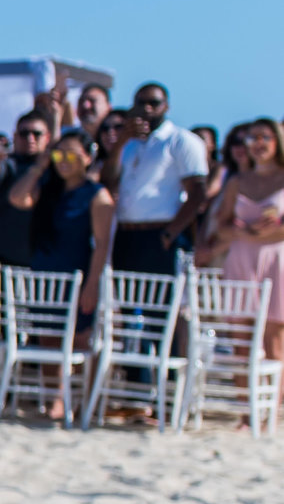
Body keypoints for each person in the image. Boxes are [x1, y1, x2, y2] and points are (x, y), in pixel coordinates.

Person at [9, 129, 116, 345]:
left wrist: (92, 285)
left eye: (71, 154)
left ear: (87, 157)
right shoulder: (48, 190)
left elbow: (102, 244)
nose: (63, 160)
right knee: (48, 351)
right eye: (58, 155)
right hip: (45, 282)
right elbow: (17, 198)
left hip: (76, 281)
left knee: (77, 348)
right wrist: (39, 167)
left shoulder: (96, 194)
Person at [105, 82, 210, 273]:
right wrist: (120, 143)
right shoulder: (128, 144)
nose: (146, 108)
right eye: (140, 102)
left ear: (166, 106)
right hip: (126, 235)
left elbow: (198, 193)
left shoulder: (181, 140)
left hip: (161, 235)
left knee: (163, 301)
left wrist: (170, 234)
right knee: (127, 300)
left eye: (154, 103)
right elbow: (108, 182)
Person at [205, 116, 284, 362]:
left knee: (275, 341)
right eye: (253, 138)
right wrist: (244, 232)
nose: (258, 143)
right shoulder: (237, 181)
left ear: (277, 141)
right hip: (241, 260)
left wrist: (268, 232)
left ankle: (274, 401)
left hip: (276, 260)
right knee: (240, 341)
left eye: (265, 137)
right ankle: (243, 400)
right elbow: (222, 226)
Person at [0, 110, 53, 268]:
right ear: (15, 136)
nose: (30, 138)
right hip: (6, 261)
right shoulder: (9, 164)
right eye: (24, 133)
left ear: (47, 137)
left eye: (36, 133)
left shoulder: (56, 168)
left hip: (44, 260)